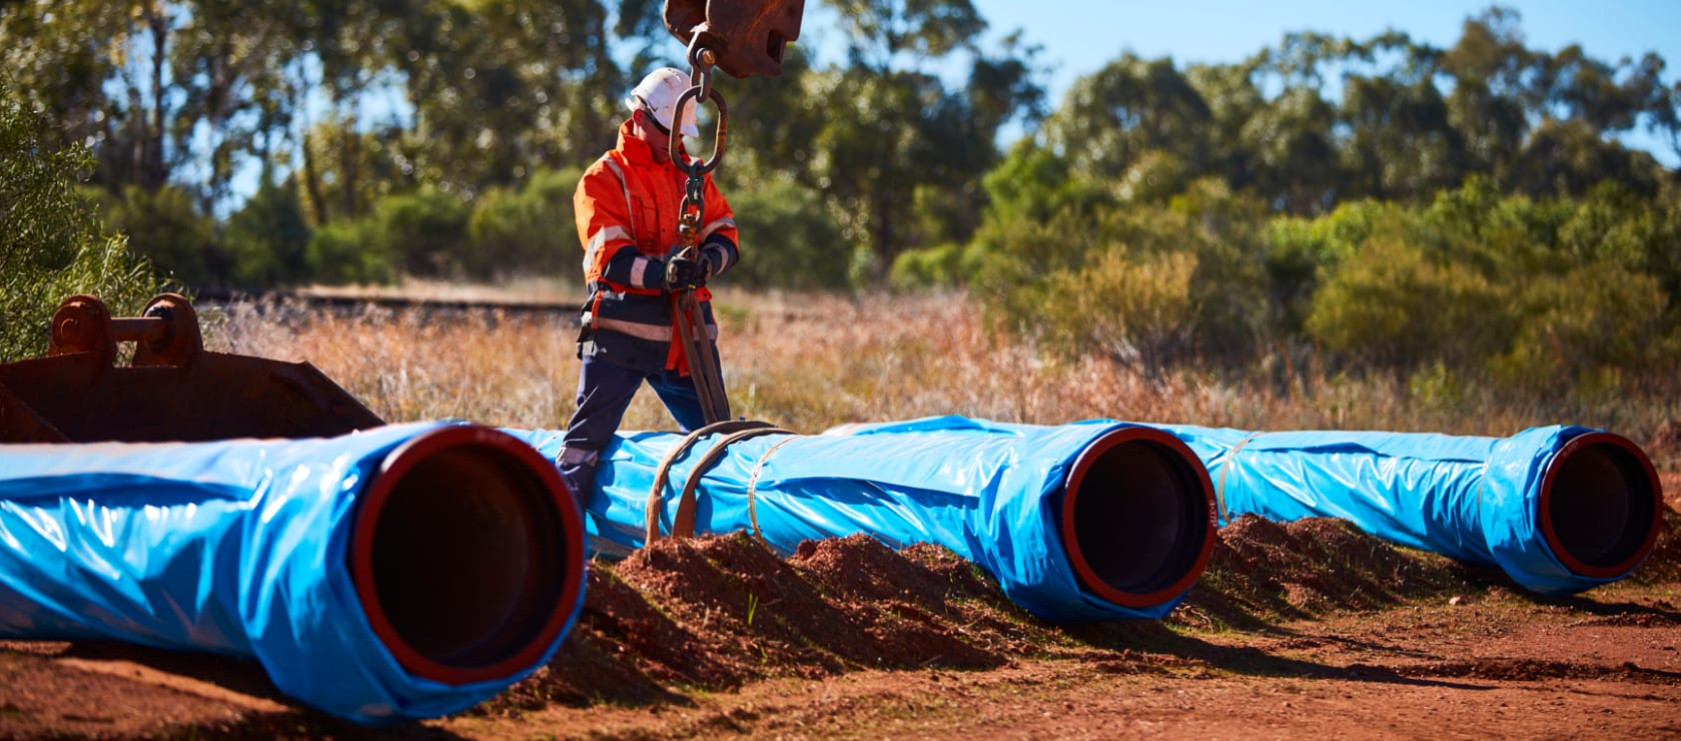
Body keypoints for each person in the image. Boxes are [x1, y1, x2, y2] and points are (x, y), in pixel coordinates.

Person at [556, 67, 740, 502]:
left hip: (687, 339)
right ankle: (566, 540)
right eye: (668, 131)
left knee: (718, 444)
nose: (678, 142)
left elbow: (726, 234)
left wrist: (705, 264)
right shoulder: (603, 178)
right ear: (640, 116)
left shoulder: (691, 175)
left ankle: (709, 547)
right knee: (584, 447)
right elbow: (609, 259)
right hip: (622, 339)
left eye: (682, 133)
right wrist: (664, 274)